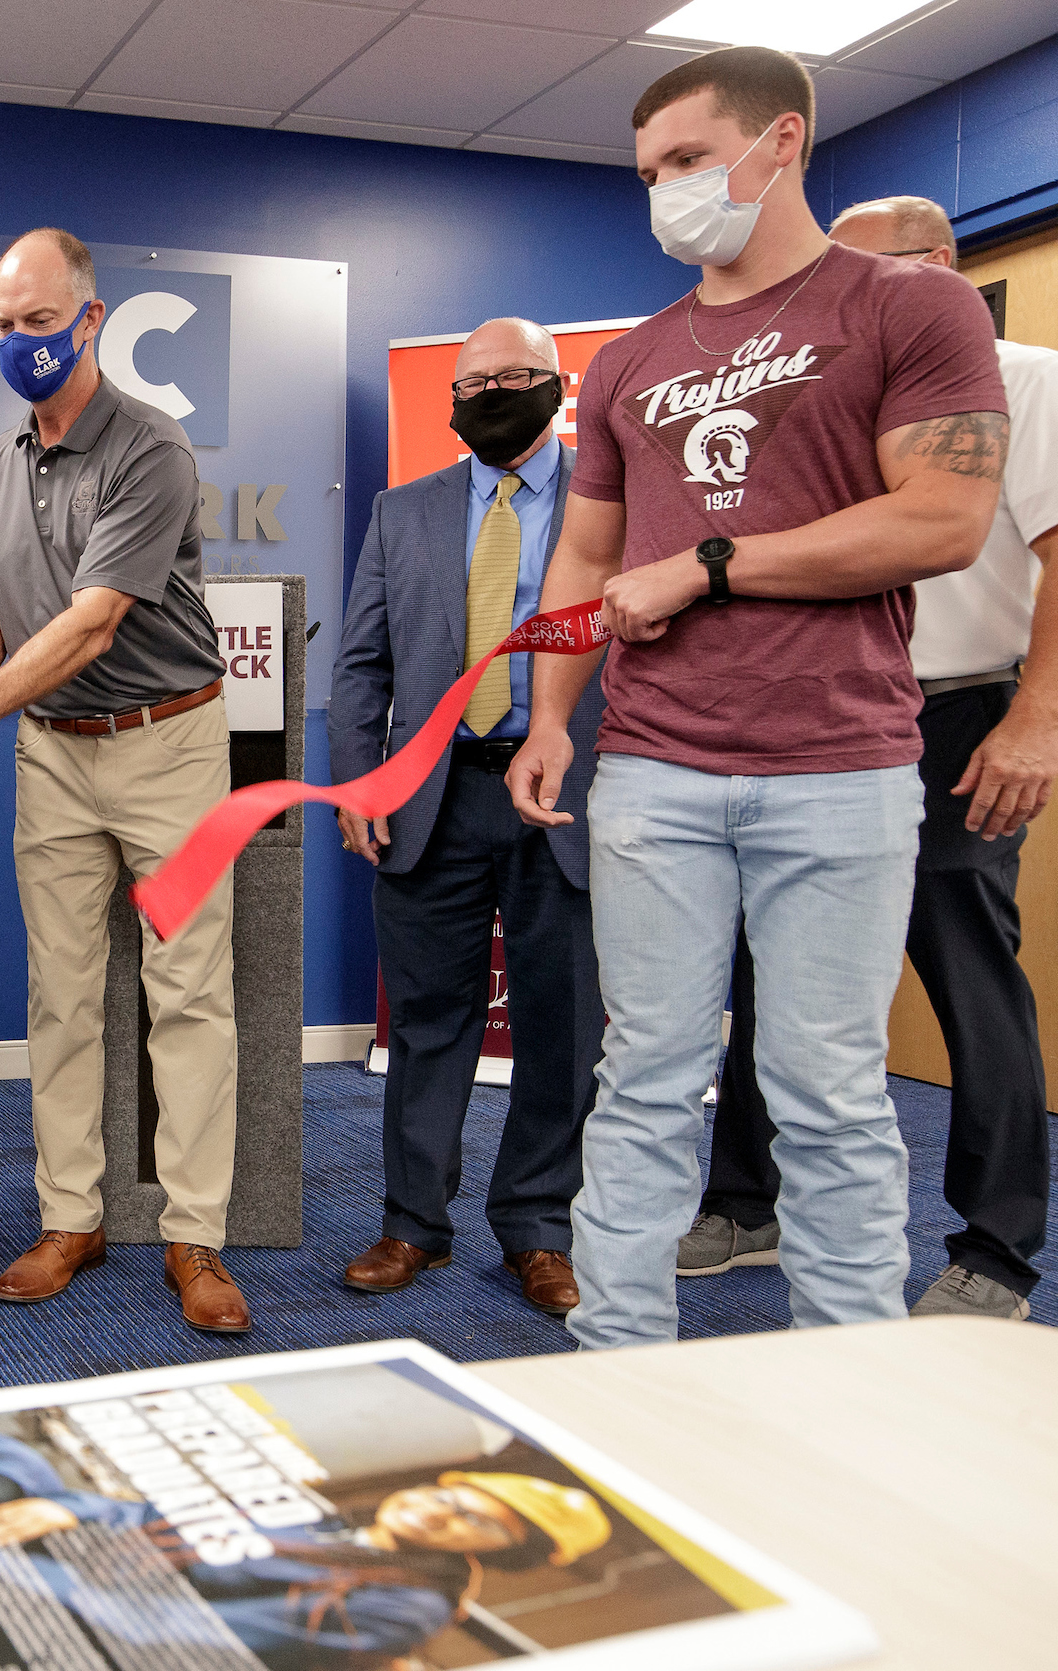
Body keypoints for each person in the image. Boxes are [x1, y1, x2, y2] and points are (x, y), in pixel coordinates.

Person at [503, 47, 1009, 1348]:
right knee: (648, 1078)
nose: (669, 191)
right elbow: (589, 556)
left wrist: (716, 565)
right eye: (651, 173)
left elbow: (945, 519)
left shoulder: (909, 309)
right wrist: (554, 714)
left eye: (688, 159)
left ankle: (847, 1371)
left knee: (827, 1086)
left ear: (780, 141)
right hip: (658, 771)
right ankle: (615, 1362)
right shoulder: (629, 362)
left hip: (838, 765)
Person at [0, 227, 248, 1335]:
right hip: (58, 756)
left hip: (170, 744)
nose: (20, 341)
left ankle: (195, 1236)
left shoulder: (152, 448)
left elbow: (92, 623)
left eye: (40, 321)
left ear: (90, 319)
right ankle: (70, 1217)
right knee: (63, 990)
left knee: (187, 992)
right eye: (4, 323)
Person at [682, 195, 1056, 1322]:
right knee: (763, 964)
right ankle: (751, 1203)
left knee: (963, 972)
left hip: (957, 713)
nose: (836, 290)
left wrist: (1035, 722)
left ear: (941, 265)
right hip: (819, 709)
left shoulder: (1024, 377)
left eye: (867, 267)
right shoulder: (829, 376)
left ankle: (995, 1249)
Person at [330, 317, 604, 1318]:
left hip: (564, 795)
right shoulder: (404, 510)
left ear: (557, 386)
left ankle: (538, 1229)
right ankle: (413, 1224)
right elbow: (363, 661)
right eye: (471, 381)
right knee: (430, 1019)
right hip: (429, 796)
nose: (489, 393)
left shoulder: (611, 502)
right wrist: (362, 777)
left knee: (560, 1024)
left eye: (512, 378)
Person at [0, 1419, 611, 1669]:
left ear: (495, 1551)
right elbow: (147, 1514)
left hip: (100, 1624)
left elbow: (181, 1639)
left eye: (478, 1520)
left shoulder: (409, 1605)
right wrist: (62, 1509)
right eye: (451, 1492)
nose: (440, 1510)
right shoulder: (333, 1526)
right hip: (107, 1567)